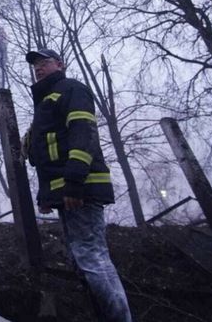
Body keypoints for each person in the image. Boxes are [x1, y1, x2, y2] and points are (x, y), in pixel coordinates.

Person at [24, 48, 132, 322]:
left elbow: (83, 133)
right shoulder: (46, 103)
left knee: (92, 256)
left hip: (80, 188)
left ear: (59, 64)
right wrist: (46, 195)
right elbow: (48, 155)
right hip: (68, 190)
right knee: (84, 257)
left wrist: (73, 183)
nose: (38, 68)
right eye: (35, 64)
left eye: (44, 62)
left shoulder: (71, 89)